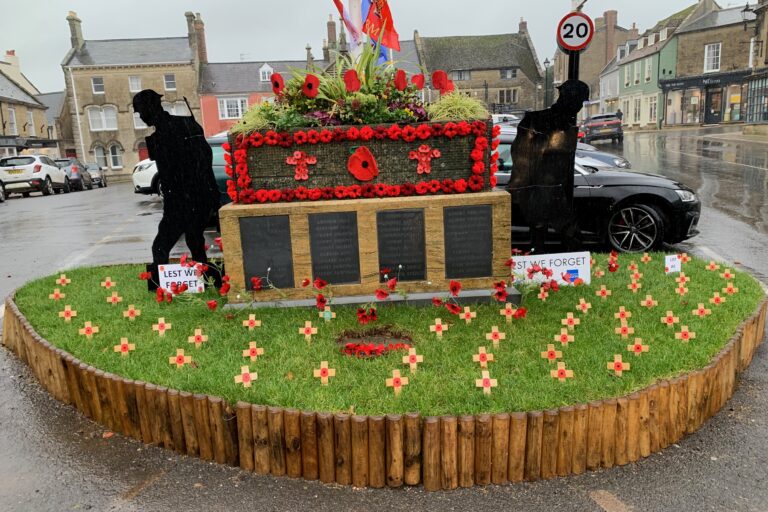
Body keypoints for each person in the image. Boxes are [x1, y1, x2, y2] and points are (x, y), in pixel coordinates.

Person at [132, 89, 220, 287]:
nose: (141, 116)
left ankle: (161, 284)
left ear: (150, 108)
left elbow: (199, 161)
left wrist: (203, 192)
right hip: (191, 196)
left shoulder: (174, 128)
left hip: (185, 197)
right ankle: (206, 278)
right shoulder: (180, 125)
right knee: (194, 241)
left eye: (141, 111)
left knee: (162, 245)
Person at [506, 79, 590, 254]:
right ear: (568, 99)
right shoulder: (536, 120)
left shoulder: (565, 123)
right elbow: (523, 156)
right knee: (546, 231)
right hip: (539, 187)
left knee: (565, 234)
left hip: (554, 187)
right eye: (579, 101)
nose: (580, 107)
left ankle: (563, 260)